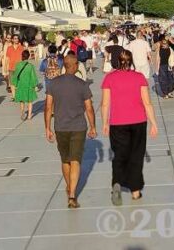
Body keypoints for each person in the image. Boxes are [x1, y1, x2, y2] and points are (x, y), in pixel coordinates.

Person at [101, 49, 159, 206]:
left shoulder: (109, 78)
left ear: (117, 61)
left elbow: (105, 104)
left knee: (119, 156)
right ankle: (135, 191)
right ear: (131, 60)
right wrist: (153, 123)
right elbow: (147, 103)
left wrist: (105, 123)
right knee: (136, 156)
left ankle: (117, 184)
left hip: (117, 123)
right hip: (138, 122)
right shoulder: (139, 77)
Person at [44, 53, 97, 209]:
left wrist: (47, 128)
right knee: (75, 160)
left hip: (60, 127)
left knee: (65, 159)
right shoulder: (82, 85)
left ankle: (69, 187)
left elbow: (48, 107)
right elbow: (89, 108)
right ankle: (73, 194)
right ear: (74, 66)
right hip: (78, 127)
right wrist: (93, 126)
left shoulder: (53, 84)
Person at [12, 49, 39, 121]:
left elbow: (15, 75)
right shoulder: (30, 66)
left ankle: (22, 113)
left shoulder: (18, 65)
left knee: (22, 101)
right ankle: (29, 115)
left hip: (21, 85)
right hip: (29, 85)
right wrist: (35, 85)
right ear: (28, 57)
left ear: (22, 56)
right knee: (30, 101)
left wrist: (15, 84)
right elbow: (33, 77)